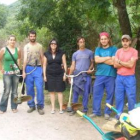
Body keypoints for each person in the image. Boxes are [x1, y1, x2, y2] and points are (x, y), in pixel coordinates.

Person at [90, 32, 117, 120]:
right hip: (99, 75)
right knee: (97, 93)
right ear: (100, 40)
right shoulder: (98, 49)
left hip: (111, 75)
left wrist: (101, 59)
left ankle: (107, 113)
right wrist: (108, 58)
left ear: (108, 39)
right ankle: (96, 112)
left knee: (110, 94)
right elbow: (96, 60)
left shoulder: (114, 49)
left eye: (105, 39)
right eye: (102, 39)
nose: (103, 41)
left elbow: (113, 62)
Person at [114, 35, 138, 118]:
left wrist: (120, 62)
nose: (125, 42)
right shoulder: (118, 51)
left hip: (130, 77)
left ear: (130, 42)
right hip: (119, 77)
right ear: (121, 42)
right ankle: (118, 114)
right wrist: (125, 63)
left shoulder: (134, 51)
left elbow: (131, 65)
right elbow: (115, 65)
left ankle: (132, 116)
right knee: (119, 97)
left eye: (126, 41)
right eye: (123, 41)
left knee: (131, 97)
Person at [69, 36, 94, 114]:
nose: (82, 43)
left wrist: (89, 69)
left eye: (83, 41)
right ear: (78, 43)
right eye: (80, 42)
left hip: (86, 75)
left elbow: (92, 63)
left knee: (86, 92)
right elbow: (73, 65)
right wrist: (70, 76)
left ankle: (85, 109)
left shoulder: (90, 52)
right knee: (75, 92)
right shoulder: (75, 54)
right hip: (77, 75)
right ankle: (74, 108)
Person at [22, 30, 44, 115]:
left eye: (33, 36)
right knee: (29, 88)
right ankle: (31, 105)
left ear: (35, 36)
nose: (32, 37)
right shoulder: (26, 47)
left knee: (39, 88)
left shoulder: (39, 46)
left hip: (38, 68)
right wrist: (23, 71)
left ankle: (40, 106)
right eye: (31, 36)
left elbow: (42, 58)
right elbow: (25, 59)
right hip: (28, 68)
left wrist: (43, 70)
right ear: (29, 37)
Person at [43, 39, 67, 114]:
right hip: (49, 74)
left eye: (55, 44)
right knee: (51, 92)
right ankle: (53, 108)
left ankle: (60, 108)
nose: (53, 45)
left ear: (57, 45)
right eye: (52, 44)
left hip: (59, 74)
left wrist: (65, 74)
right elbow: (44, 65)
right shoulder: (46, 54)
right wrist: (44, 76)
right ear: (50, 45)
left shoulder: (62, 53)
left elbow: (65, 64)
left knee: (59, 91)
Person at [0, 35, 21, 114]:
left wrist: (18, 67)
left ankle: (14, 107)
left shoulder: (18, 50)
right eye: (11, 40)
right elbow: (0, 59)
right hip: (7, 73)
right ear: (8, 41)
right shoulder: (4, 49)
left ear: (15, 41)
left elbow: (19, 58)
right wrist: (1, 68)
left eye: (14, 40)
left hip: (16, 73)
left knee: (15, 91)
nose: (12, 41)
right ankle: (2, 108)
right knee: (7, 91)